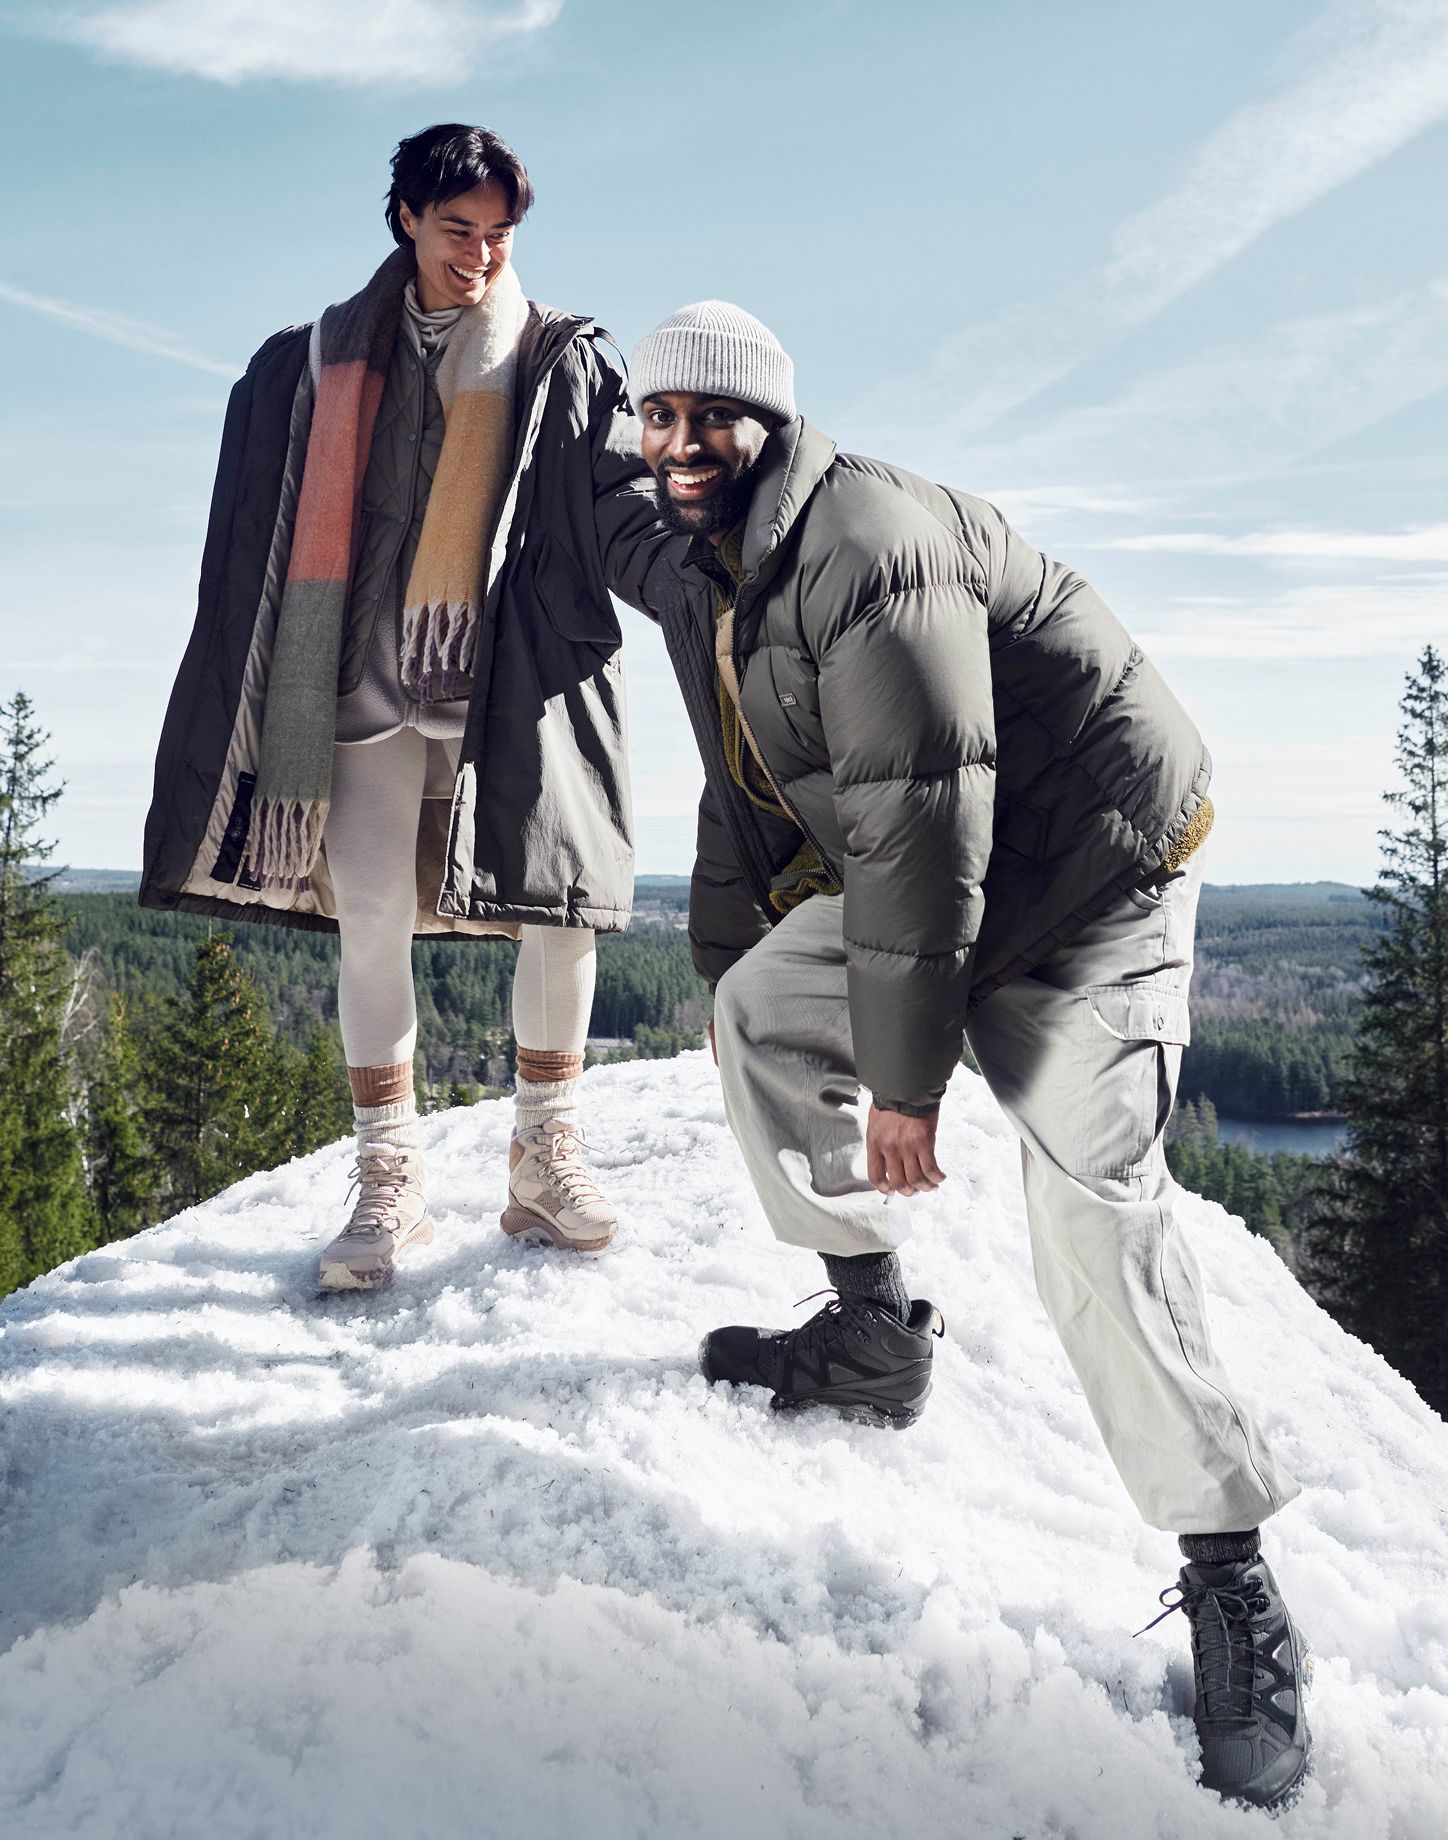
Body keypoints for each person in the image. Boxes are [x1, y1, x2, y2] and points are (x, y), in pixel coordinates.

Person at [615, 300, 1312, 1810]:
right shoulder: (724, 548)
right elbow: (617, 522)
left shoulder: (866, 546)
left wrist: (913, 1090)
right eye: (653, 417)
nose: (675, 447)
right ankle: (873, 1336)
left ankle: (1230, 1574)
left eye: (704, 420)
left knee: (1090, 1206)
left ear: (771, 427)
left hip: (1092, 878)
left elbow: (931, 827)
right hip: (967, 873)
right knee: (755, 1018)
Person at [141, 124, 664, 1288]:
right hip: (361, 681)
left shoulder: (556, 354)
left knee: (556, 904)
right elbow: (250, 533)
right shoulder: (314, 358)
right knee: (371, 914)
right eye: (454, 229)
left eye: (497, 234)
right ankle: (389, 1181)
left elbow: (617, 500)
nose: (476, 255)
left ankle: (543, 1157)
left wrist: (695, 575)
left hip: (512, 678)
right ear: (405, 222)